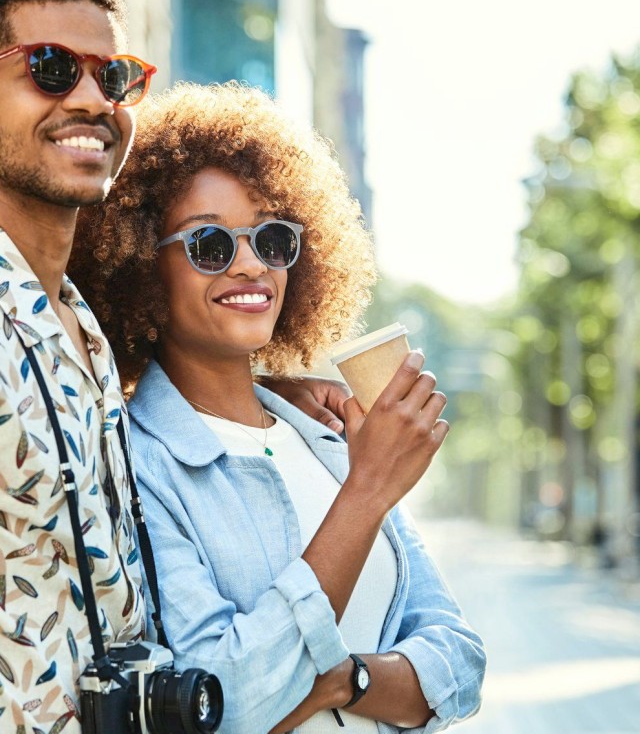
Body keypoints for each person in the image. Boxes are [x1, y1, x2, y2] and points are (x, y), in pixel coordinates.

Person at [0, 0, 364, 732]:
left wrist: (265, 397)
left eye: (115, 75)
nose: (93, 99)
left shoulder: (85, 335)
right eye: (53, 67)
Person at [70, 81, 486, 733]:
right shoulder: (136, 463)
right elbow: (226, 703)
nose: (250, 266)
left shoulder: (326, 437)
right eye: (210, 245)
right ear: (141, 267)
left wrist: (341, 680)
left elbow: (460, 662)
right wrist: (368, 491)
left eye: (271, 240)